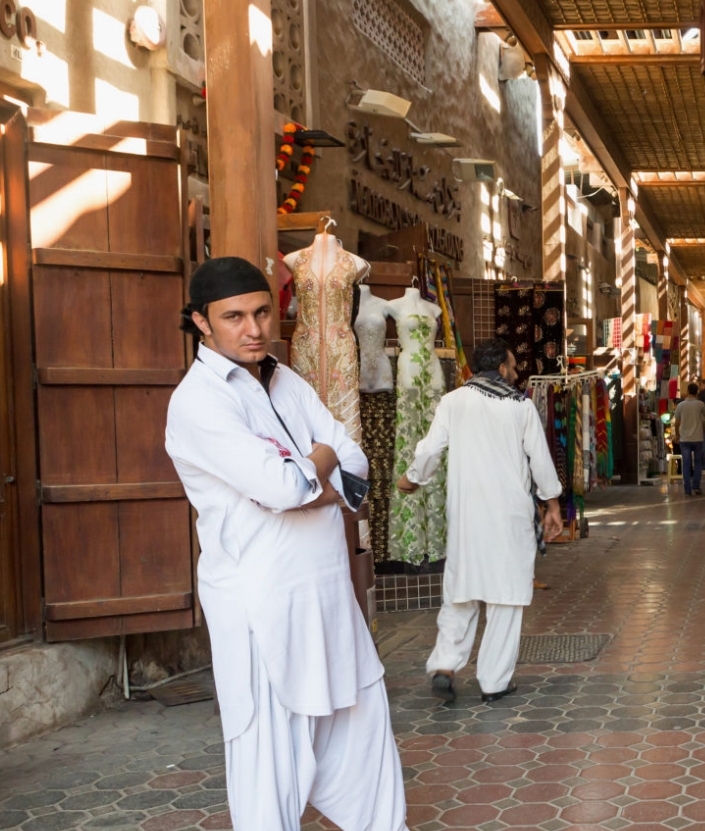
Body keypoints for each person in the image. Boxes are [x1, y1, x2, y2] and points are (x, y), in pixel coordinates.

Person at [164, 257, 407, 831]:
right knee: (267, 763)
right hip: (261, 607)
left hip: (327, 599)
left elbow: (354, 464)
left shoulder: (287, 380)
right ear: (201, 322)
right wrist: (310, 469)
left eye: (261, 311)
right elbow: (282, 485)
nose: (253, 328)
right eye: (233, 317)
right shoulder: (198, 402)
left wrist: (305, 476)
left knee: (365, 732)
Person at [398, 338, 564, 703]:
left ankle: (444, 665)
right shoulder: (520, 407)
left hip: (467, 517)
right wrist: (552, 504)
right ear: (502, 369)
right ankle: (494, 681)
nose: (516, 374)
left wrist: (412, 477)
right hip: (510, 518)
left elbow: (430, 449)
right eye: (514, 367)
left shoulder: (453, 402)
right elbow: (539, 459)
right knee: (506, 598)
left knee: (461, 591)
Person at [674, 384, 705, 496]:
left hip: (684, 439)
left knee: (686, 463)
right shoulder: (700, 404)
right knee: (698, 462)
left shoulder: (680, 405)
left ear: (688, 391)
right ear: (697, 392)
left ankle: (687, 489)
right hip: (698, 438)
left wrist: (677, 435)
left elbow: (677, 422)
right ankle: (696, 486)